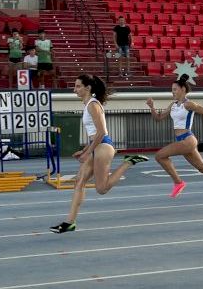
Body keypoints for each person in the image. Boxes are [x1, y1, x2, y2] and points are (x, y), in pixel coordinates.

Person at [49, 75, 148, 233]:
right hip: (96, 146)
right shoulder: (89, 104)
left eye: (78, 86)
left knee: (101, 189)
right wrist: (85, 149)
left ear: (88, 88)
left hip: (103, 148)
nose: (74, 90)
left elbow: (101, 132)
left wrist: (87, 152)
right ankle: (69, 222)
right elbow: (95, 134)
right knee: (79, 182)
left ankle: (128, 162)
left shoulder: (93, 105)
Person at [145, 74, 203, 205]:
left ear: (182, 89)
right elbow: (158, 118)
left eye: (174, 89)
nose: (172, 92)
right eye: (172, 89)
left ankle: (178, 182)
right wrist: (152, 107)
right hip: (182, 141)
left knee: (159, 156)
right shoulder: (173, 105)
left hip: (188, 140)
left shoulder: (188, 104)